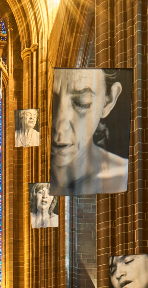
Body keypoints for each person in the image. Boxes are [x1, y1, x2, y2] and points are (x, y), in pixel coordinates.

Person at [50, 68, 129, 196]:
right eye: (48, 101)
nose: (60, 126)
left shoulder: (125, 177)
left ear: (108, 102)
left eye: (82, 103)